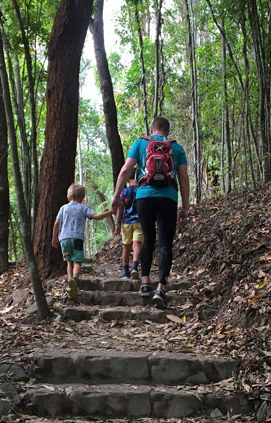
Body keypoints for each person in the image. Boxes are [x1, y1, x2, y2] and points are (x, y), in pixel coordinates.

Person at [111, 116, 189, 309]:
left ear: (152, 129)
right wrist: (185, 206)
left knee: (147, 238)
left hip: (144, 197)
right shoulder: (176, 148)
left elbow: (125, 169)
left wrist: (116, 196)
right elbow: (184, 178)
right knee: (165, 243)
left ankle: (145, 282)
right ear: (167, 131)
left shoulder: (140, 143)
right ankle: (161, 287)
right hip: (168, 198)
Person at [52, 183, 112, 301]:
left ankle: (70, 282)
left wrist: (54, 238)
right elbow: (96, 217)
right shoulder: (83, 208)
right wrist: (110, 212)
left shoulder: (63, 208)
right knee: (77, 262)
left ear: (69, 197)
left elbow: (56, 223)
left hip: (64, 239)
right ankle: (75, 278)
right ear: (82, 198)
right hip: (77, 238)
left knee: (69, 261)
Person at [115, 177, 143, 279]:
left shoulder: (124, 192)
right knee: (137, 245)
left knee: (126, 248)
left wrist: (117, 224)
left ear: (127, 180)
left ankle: (125, 272)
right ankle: (135, 267)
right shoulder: (141, 190)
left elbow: (120, 209)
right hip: (139, 221)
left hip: (126, 223)